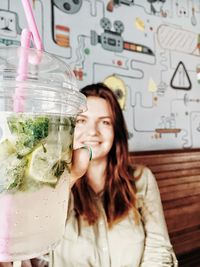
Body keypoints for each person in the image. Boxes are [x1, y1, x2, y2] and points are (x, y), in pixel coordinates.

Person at [0, 83, 178, 267]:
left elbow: (159, 249)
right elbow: (34, 253)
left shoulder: (142, 179)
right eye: (81, 120)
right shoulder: (51, 182)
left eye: (105, 122)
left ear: (116, 131)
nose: (92, 131)